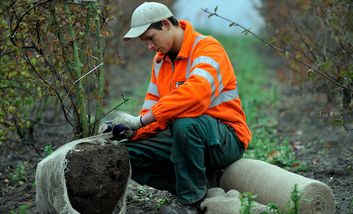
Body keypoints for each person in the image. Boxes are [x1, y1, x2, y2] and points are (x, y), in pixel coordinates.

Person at [102, 2, 252, 213]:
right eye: (144, 42)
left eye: (150, 39)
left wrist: (140, 121)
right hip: (185, 137)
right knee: (124, 154)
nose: (149, 47)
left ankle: (189, 203)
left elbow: (195, 96)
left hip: (225, 139)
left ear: (165, 24)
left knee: (186, 122)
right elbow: (151, 111)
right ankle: (201, 185)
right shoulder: (160, 62)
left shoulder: (207, 48)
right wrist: (130, 131)